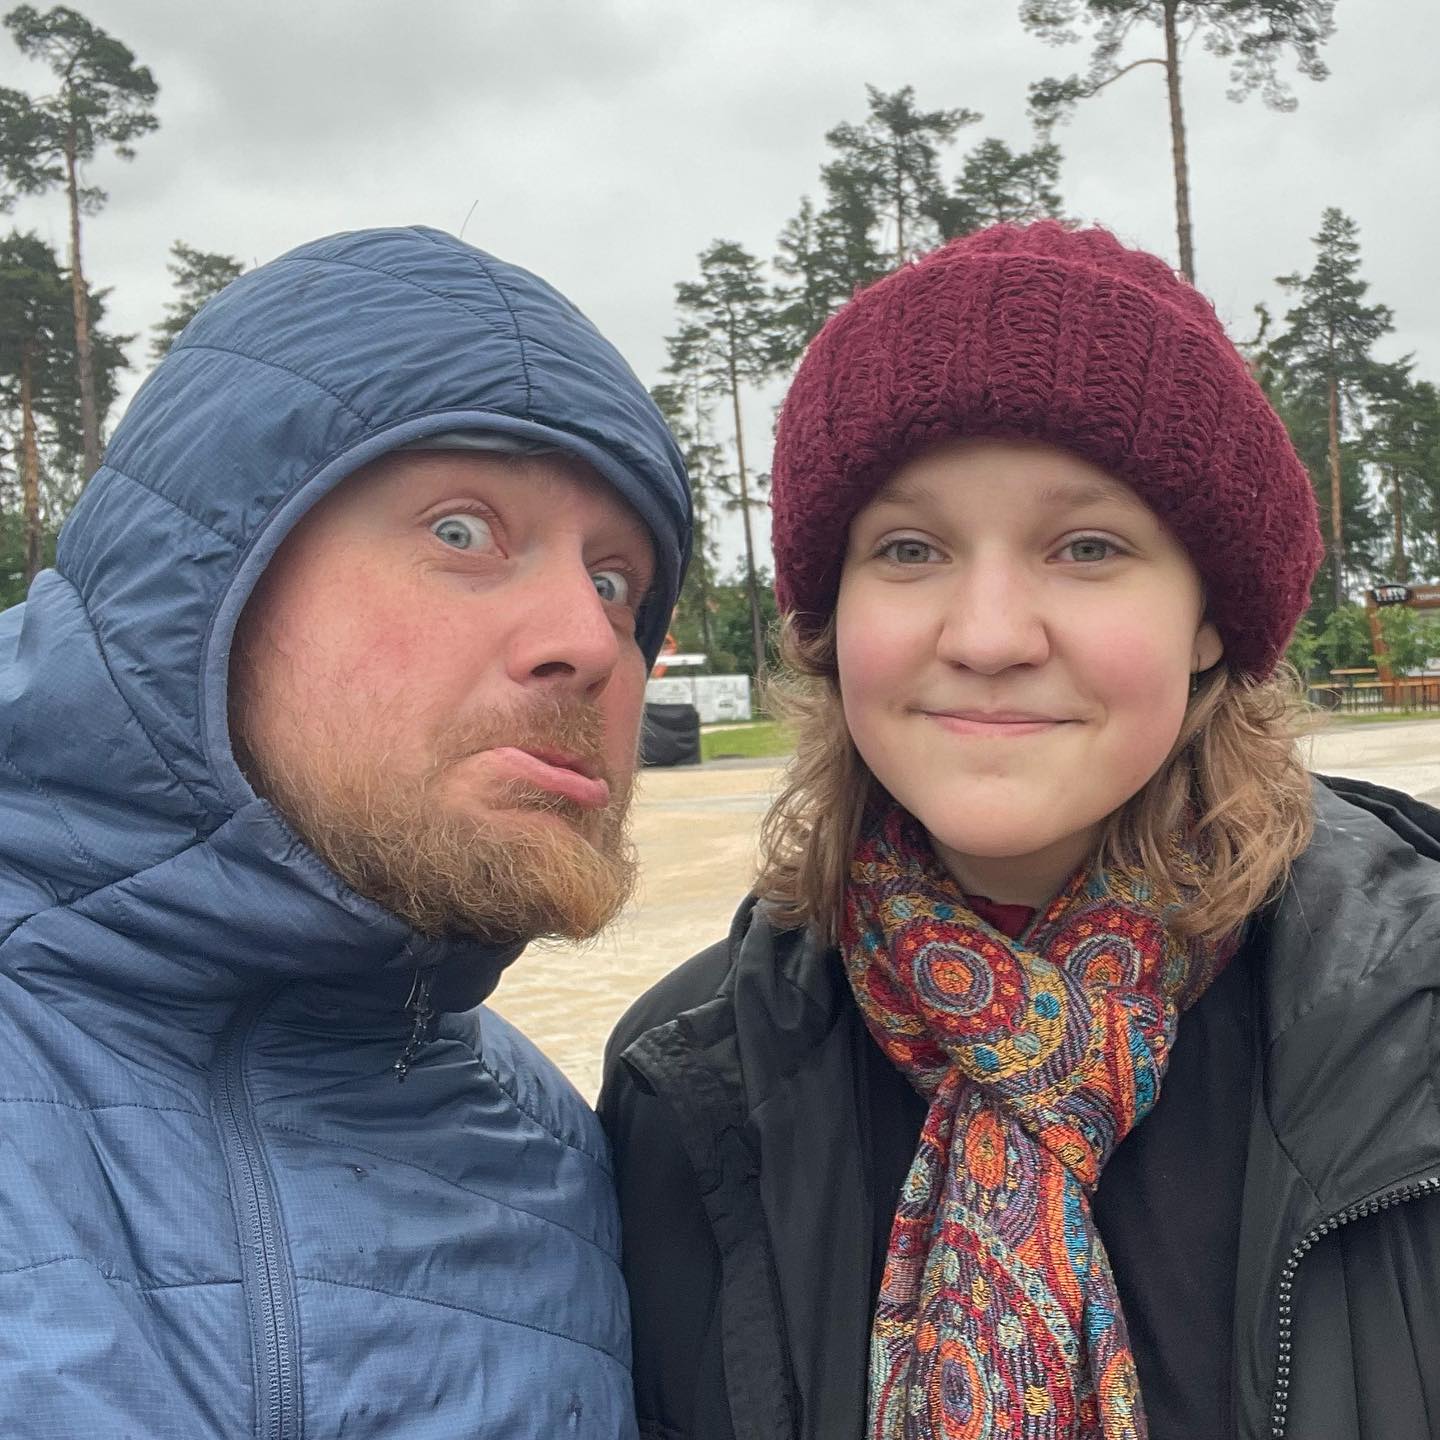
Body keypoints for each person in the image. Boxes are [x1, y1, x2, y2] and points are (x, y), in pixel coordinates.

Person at [600, 222, 1440, 1440]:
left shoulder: (1411, 1027)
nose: (989, 634)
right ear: (832, 620)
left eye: (1088, 547)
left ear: (1210, 618)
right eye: (909, 549)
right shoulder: (686, 1086)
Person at [0, 226, 690, 1438]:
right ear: (207, 579)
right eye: (463, 532)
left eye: (615, 582)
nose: (590, 641)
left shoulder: (562, 1152)